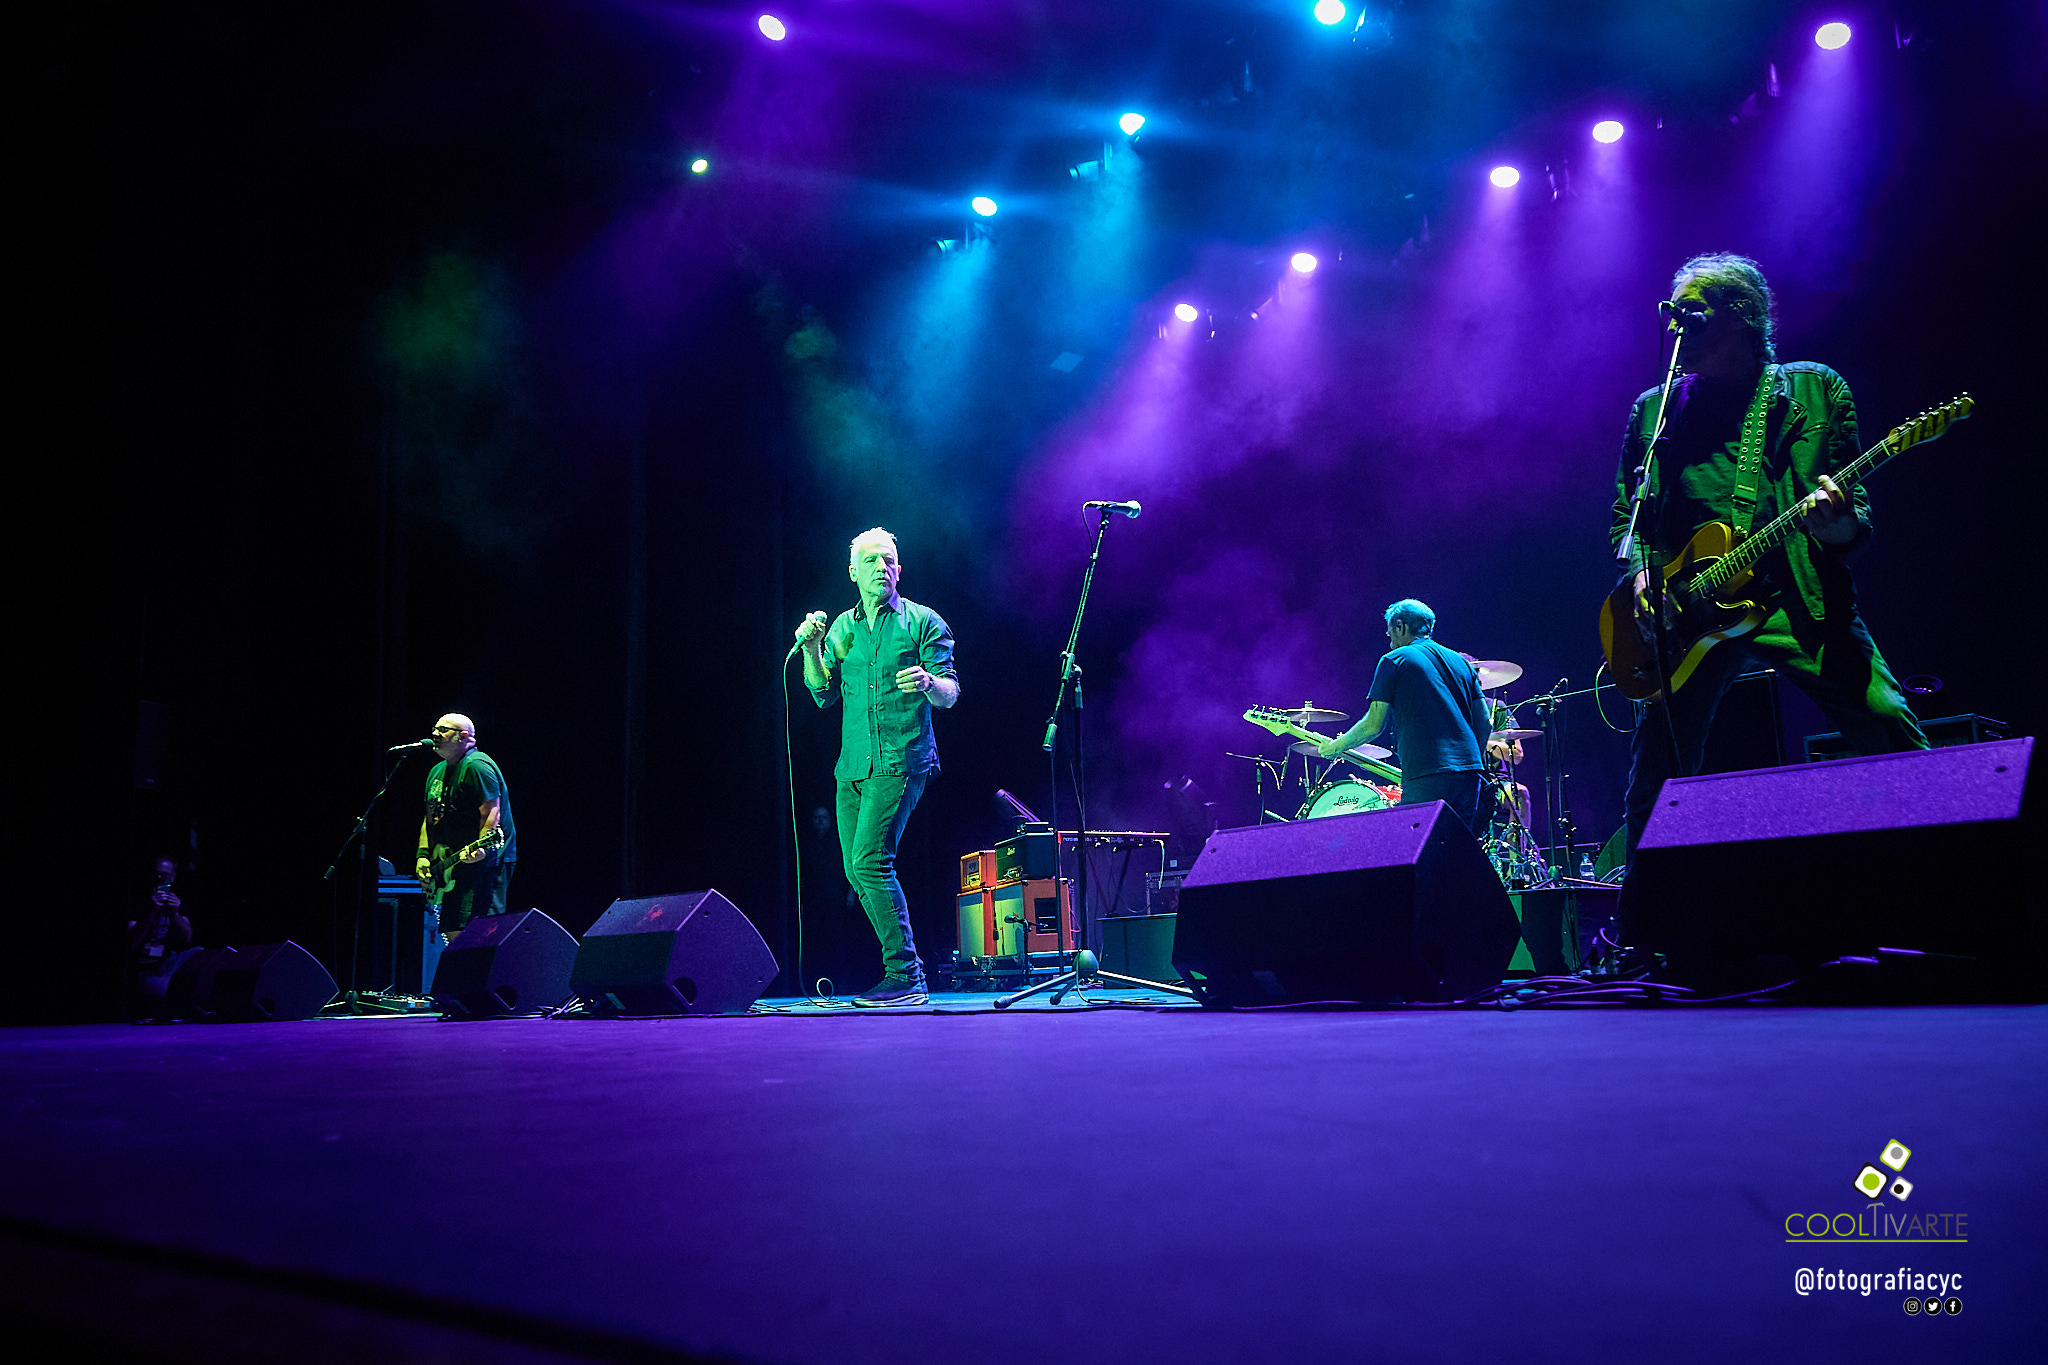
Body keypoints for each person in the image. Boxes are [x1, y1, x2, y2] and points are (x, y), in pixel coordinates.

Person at [1612, 253, 1926, 857]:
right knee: (1655, 780)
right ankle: (1646, 933)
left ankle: (1956, 893)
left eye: (1694, 315)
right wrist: (1642, 579)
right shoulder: (1655, 410)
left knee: (1885, 722)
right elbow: (1630, 516)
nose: (1678, 328)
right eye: (1673, 317)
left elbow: (1852, 522)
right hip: (1690, 617)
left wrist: (1834, 526)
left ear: (1744, 315)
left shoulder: (1815, 389)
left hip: (1796, 595)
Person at [797, 528, 958, 1007]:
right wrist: (810, 648)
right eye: (870, 561)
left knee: (869, 861)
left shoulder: (922, 622)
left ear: (899, 570)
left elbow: (950, 693)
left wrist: (928, 681)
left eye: (888, 560)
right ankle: (902, 973)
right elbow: (821, 692)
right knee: (855, 868)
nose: (880, 568)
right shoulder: (843, 631)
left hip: (902, 761)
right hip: (852, 769)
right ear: (852, 572)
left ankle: (906, 975)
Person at [1319, 599, 1497, 832]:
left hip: (1428, 771)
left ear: (1401, 626)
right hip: (1470, 773)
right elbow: (1484, 722)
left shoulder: (1395, 660)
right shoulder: (1462, 663)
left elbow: (1374, 726)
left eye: (1390, 630)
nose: (1389, 637)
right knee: (1457, 852)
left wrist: (1336, 746)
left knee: (1417, 850)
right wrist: (1473, 759)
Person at [414, 713, 517, 942]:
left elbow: (491, 810)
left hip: (485, 863)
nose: (435, 734)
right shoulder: (437, 771)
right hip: (455, 862)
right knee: (453, 930)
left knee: (477, 933)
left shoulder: (477, 765)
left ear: (464, 736)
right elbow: (429, 818)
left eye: (443, 730)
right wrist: (423, 855)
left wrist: (483, 845)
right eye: (435, 728)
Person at [127, 855, 197, 1016]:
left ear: (173, 877)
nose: (161, 878)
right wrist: (152, 910)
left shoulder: (176, 902)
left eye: (165, 875)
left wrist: (174, 914)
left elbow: (187, 938)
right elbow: (131, 942)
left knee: (198, 952)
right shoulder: (138, 901)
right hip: (143, 969)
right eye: (157, 874)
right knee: (162, 990)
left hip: (166, 964)